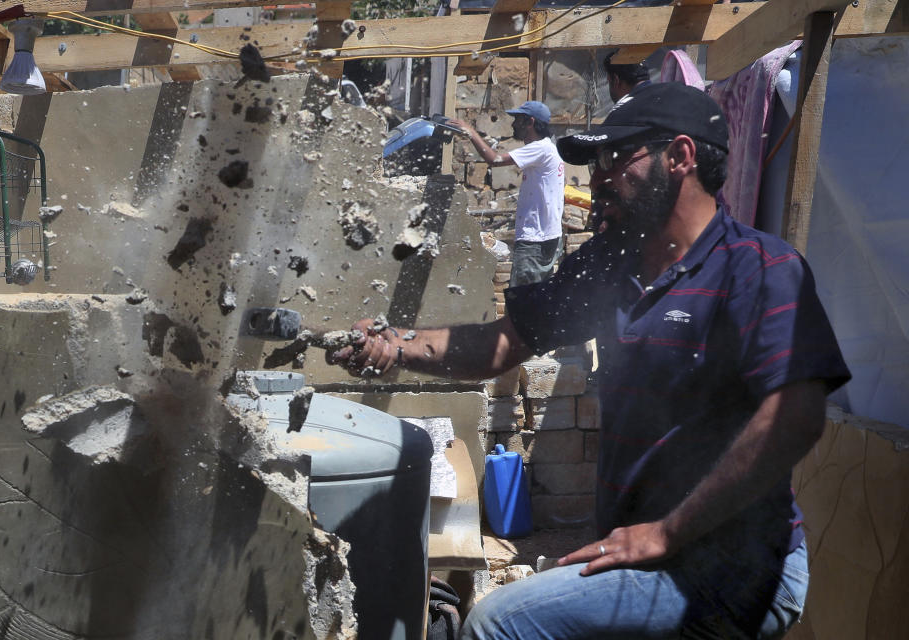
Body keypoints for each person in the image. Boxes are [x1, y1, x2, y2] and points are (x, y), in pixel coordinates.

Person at [330, 82, 851, 639]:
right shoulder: (612, 265)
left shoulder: (758, 269)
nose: (597, 176)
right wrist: (396, 344)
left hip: (738, 569)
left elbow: (796, 416)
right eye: (594, 160)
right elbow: (503, 343)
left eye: (615, 157)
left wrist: (668, 532)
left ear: (680, 157)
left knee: (498, 623)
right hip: (649, 554)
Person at [449, 101, 565, 286]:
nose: (512, 125)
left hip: (535, 239)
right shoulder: (548, 147)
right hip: (547, 236)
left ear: (531, 122)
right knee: (535, 301)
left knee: (521, 304)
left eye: (518, 120)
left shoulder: (541, 148)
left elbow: (494, 159)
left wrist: (469, 131)